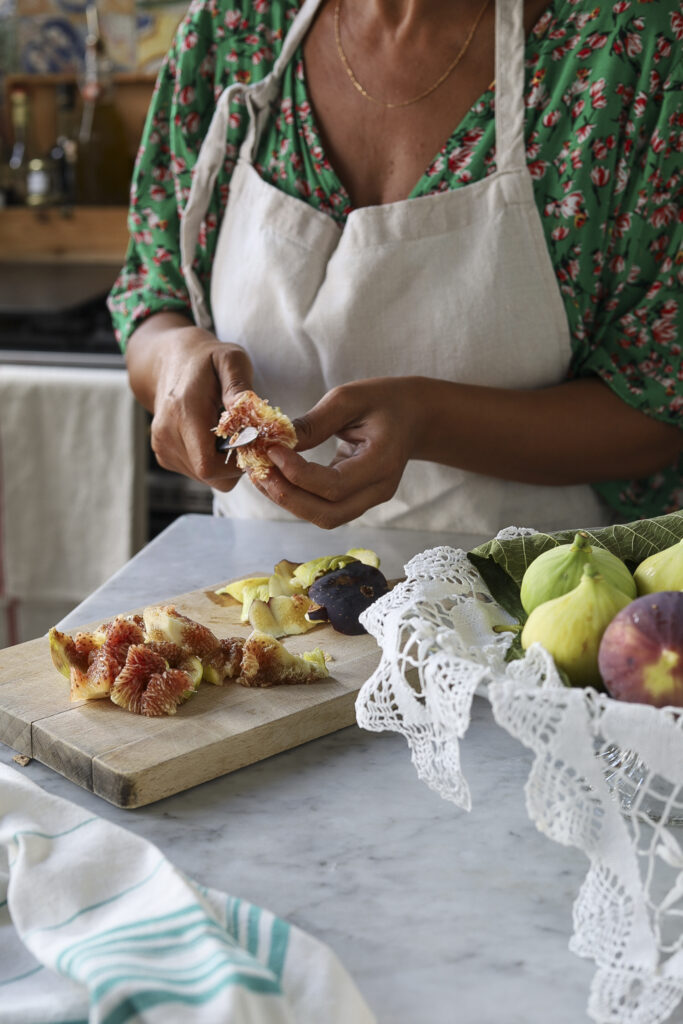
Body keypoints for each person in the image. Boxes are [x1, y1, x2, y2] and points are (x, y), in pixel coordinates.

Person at [109, 0, 682, 535]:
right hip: (248, 602)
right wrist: (173, 363)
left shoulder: (630, 50)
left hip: (533, 611)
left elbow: (663, 409)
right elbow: (151, 300)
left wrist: (430, 422)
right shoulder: (237, 26)